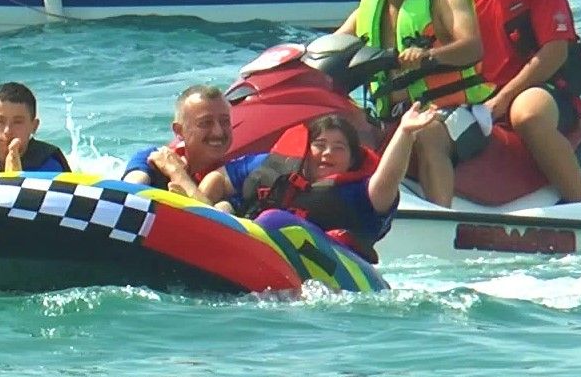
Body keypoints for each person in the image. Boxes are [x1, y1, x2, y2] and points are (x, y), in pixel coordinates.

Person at [335, 0, 494, 207]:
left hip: (456, 113)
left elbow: (473, 47)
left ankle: (441, 215)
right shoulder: (369, 5)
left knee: (425, 133)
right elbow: (335, 46)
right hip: (390, 115)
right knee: (336, 129)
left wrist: (429, 56)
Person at [449, 0, 581, 202]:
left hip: (541, 88)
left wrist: (502, 100)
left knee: (527, 116)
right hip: (480, 95)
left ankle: (579, 205)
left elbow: (556, 50)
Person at [185, 103, 438, 261]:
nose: (328, 153)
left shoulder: (361, 193)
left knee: (275, 220)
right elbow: (219, 178)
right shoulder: (275, 167)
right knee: (224, 207)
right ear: (306, 150)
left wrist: (405, 133)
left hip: (325, 266)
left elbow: (390, 177)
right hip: (249, 243)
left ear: (352, 158)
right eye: (320, 145)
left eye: (339, 148)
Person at [121, 84, 233, 193]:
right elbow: (128, 192)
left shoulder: (236, 174)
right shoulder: (153, 159)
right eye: (205, 123)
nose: (218, 132)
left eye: (225, 121)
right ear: (179, 131)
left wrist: (176, 172)